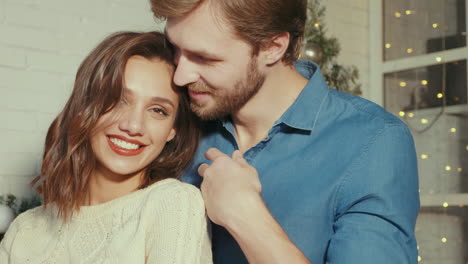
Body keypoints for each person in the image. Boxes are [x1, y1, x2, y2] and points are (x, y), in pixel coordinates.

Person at [150, 0, 420, 263]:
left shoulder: (373, 141)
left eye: (204, 58)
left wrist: (247, 217)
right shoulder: (172, 117)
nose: (180, 76)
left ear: (273, 47)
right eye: (175, 48)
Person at [0, 31, 212, 263]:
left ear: (173, 129)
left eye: (158, 111)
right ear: (87, 105)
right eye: (119, 100)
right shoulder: (24, 230)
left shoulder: (172, 203)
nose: (133, 126)